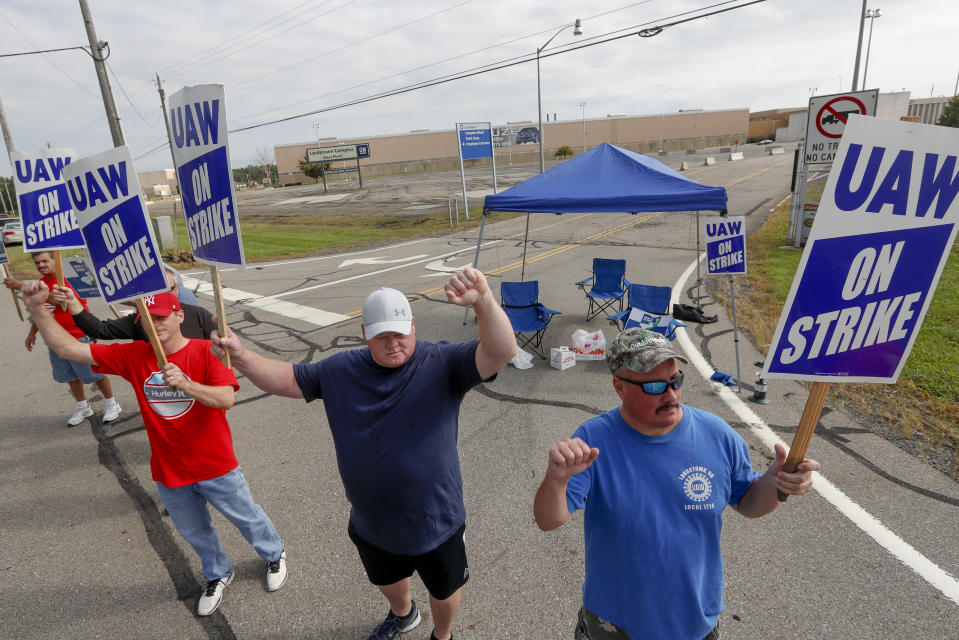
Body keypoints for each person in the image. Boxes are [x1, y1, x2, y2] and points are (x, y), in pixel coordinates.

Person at [210, 267, 517, 640]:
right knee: (386, 577)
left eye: (399, 334)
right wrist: (241, 356)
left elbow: (501, 350)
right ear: (364, 335)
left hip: (436, 520)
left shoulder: (444, 363)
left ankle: (443, 634)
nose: (392, 344)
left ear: (413, 327)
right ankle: (403, 614)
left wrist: (484, 301)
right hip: (373, 522)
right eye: (381, 336)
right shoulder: (341, 369)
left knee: (444, 588)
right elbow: (288, 379)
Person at [21, 281, 289, 617]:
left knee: (247, 518)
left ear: (179, 315)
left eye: (162, 316)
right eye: (147, 318)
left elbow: (226, 398)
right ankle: (218, 573)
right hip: (170, 470)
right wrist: (35, 308)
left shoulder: (208, 350)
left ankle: (274, 553)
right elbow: (69, 350)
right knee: (194, 532)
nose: (155, 323)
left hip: (217, 465)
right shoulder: (135, 355)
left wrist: (186, 383)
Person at [533, 328, 821, 640]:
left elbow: (749, 502)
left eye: (676, 381)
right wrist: (557, 479)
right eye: (655, 386)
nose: (670, 395)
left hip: (695, 621)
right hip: (615, 624)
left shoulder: (717, 435)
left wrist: (778, 482)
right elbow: (549, 520)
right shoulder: (592, 441)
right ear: (620, 387)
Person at [4, 251, 121, 426]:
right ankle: (83, 406)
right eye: (37, 263)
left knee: (94, 374)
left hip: (78, 337)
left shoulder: (68, 279)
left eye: (45, 261)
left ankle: (112, 403)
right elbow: (43, 309)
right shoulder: (42, 283)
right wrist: (32, 333)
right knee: (70, 376)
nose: (41, 265)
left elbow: (60, 300)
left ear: (55, 261)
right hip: (56, 341)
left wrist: (20, 285)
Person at [52, 267, 216, 342]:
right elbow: (99, 330)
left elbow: (226, 350)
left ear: (177, 289)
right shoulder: (140, 320)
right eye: (156, 289)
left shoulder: (200, 315)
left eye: (168, 288)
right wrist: (73, 302)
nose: (162, 294)